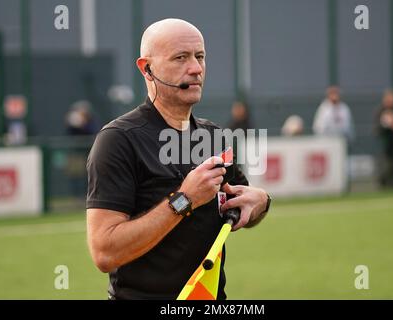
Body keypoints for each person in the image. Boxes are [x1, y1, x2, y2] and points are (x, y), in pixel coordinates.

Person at [85, 18, 271, 300]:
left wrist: (261, 202)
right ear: (147, 68)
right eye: (181, 58)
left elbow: (240, 204)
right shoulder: (118, 140)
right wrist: (184, 199)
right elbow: (104, 252)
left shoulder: (215, 137)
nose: (196, 68)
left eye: (200, 57)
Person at [374, 89, 393, 188]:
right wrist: (388, 124)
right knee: (386, 166)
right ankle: (383, 183)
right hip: (386, 144)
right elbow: (377, 129)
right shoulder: (380, 111)